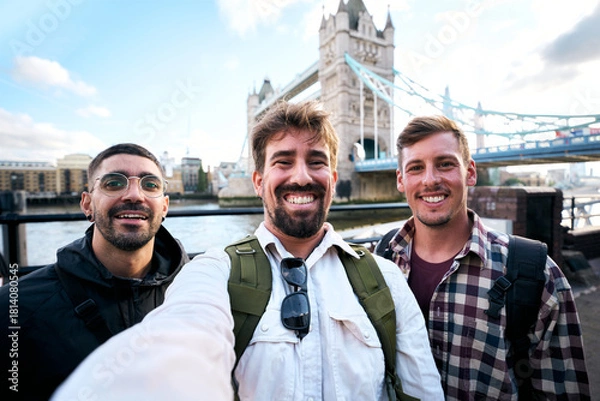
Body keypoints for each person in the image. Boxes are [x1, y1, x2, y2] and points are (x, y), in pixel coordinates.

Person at [51, 100, 444, 401]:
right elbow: (178, 342)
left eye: (317, 161)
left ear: (334, 178)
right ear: (258, 180)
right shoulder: (213, 272)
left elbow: (423, 390)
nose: (302, 176)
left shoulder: (385, 278)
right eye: (283, 162)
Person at [378, 115, 590, 400]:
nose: (431, 179)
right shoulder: (378, 262)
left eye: (445, 164)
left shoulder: (538, 277)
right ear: (401, 180)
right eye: (416, 168)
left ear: (470, 172)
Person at [0, 143, 189, 401]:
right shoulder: (14, 308)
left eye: (150, 185)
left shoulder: (199, 291)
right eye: (114, 183)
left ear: (164, 207)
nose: (135, 195)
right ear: (87, 204)